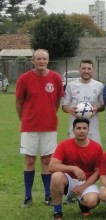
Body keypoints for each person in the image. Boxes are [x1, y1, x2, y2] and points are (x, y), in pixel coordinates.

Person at [16, 49, 63, 207]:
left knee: (47, 160)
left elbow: (57, 101)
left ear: (48, 60)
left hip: (49, 126)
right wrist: (24, 120)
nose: (41, 61)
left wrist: (48, 115)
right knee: (29, 160)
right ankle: (28, 197)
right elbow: (19, 102)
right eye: (38, 59)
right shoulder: (24, 79)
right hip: (29, 126)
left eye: (44, 59)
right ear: (33, 61)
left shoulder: (56, 78)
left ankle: (48, 195)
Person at [48, 118, 103, 220]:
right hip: (69, 180)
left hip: (87, 182)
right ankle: (57, 212)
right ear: (73, 130)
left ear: (88, 130)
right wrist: (73, 168)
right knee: (56, 176)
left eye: (84, 128)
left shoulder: (97, 147)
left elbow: (98, 172)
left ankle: (83, 204)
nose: (81, 131)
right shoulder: (64, 145)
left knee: (92, 202)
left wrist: (83, 187)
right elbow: (52, 166)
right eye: (78, 128)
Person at [61, 59, 106, 144]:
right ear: (79, 69)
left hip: (93, 128)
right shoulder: (71, 86)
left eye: (89, 69)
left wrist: (97, 108)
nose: (86, 71)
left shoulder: (99, 86)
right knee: (74, 155)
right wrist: (70, 110)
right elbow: (64, 106)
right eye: (84, 68)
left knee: (94, 154)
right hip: (75, 127)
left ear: (93, 70)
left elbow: (103, 106)